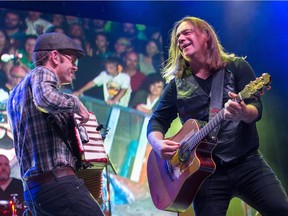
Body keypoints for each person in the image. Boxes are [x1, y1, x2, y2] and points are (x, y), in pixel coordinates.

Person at [147, 16, 288, 216]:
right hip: (205, 176)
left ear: (206, 36)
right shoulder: (175, 86)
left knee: (281, 210)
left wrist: (242, 113)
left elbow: (255, 108)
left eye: (186, 33)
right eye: (177, 37)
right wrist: (158, 144)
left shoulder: (236, 67)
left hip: (247, 163)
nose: (180, 39)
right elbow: (156, 121)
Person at [7, 32, 104, 216]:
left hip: (34, 190)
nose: (75, 67)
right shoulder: (42, 72)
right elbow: (45, 98)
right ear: (54, 56)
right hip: (58, 185)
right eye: (72, 60)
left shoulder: (15, 94)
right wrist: (76, 103)